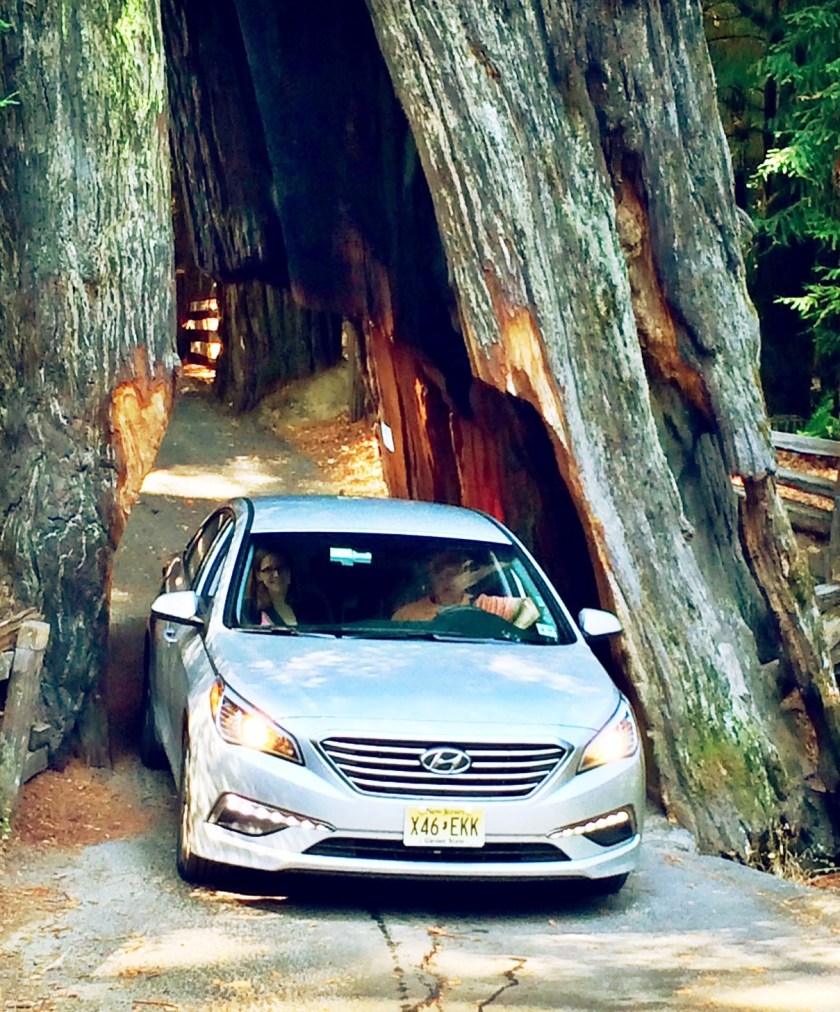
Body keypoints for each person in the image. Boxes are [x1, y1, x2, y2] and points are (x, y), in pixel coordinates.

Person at [391, 551, 539, 629]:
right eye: (439, 574)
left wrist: (516, 630)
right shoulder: (407, 614)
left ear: (466, 576)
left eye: (453, 574)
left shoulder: (485, 606)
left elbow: (533, 607)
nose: (447, 581)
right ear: (430, 578)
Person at [248, 548, 298, 626]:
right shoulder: (251, 611)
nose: (276, 574)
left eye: (280, 567)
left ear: (289, 570)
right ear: (258, 575)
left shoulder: (307, 605)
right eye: (268, 570)